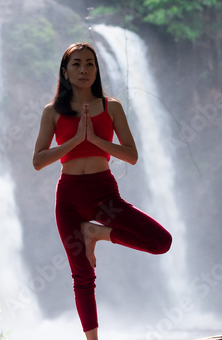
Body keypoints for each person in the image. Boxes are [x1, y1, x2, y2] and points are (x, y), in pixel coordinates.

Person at [32, 42, 172, 340]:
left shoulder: (112, 106)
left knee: (161, 241)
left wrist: (95, 139)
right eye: (76, 64)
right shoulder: (52, 112)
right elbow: (38, 161)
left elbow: (131, 155)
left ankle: (96, 233)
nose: (84, 69)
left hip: (104, 194)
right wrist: (73, 142)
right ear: (65, 72)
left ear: (97, 70)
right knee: (82, 275)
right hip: (68, 197)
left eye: (90, 64)